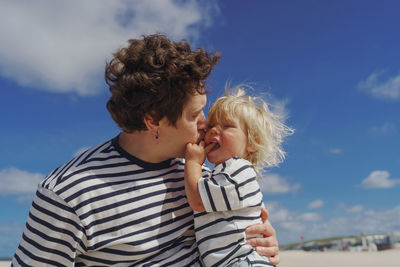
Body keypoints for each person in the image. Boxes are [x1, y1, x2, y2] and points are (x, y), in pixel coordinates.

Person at [12, 34, 280, 266]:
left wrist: (260, 240)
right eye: (195, 114)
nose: (206, 124)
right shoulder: (68, 194)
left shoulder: (195, 171)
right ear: (153, 120)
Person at [184, 87, 293, 267]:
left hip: (243, 261)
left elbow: (197, 200)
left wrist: (193, 162)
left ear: (252, 142)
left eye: (227, 126)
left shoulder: (239, 170)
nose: (212, 131)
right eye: (211, 126)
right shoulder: (218, 175)